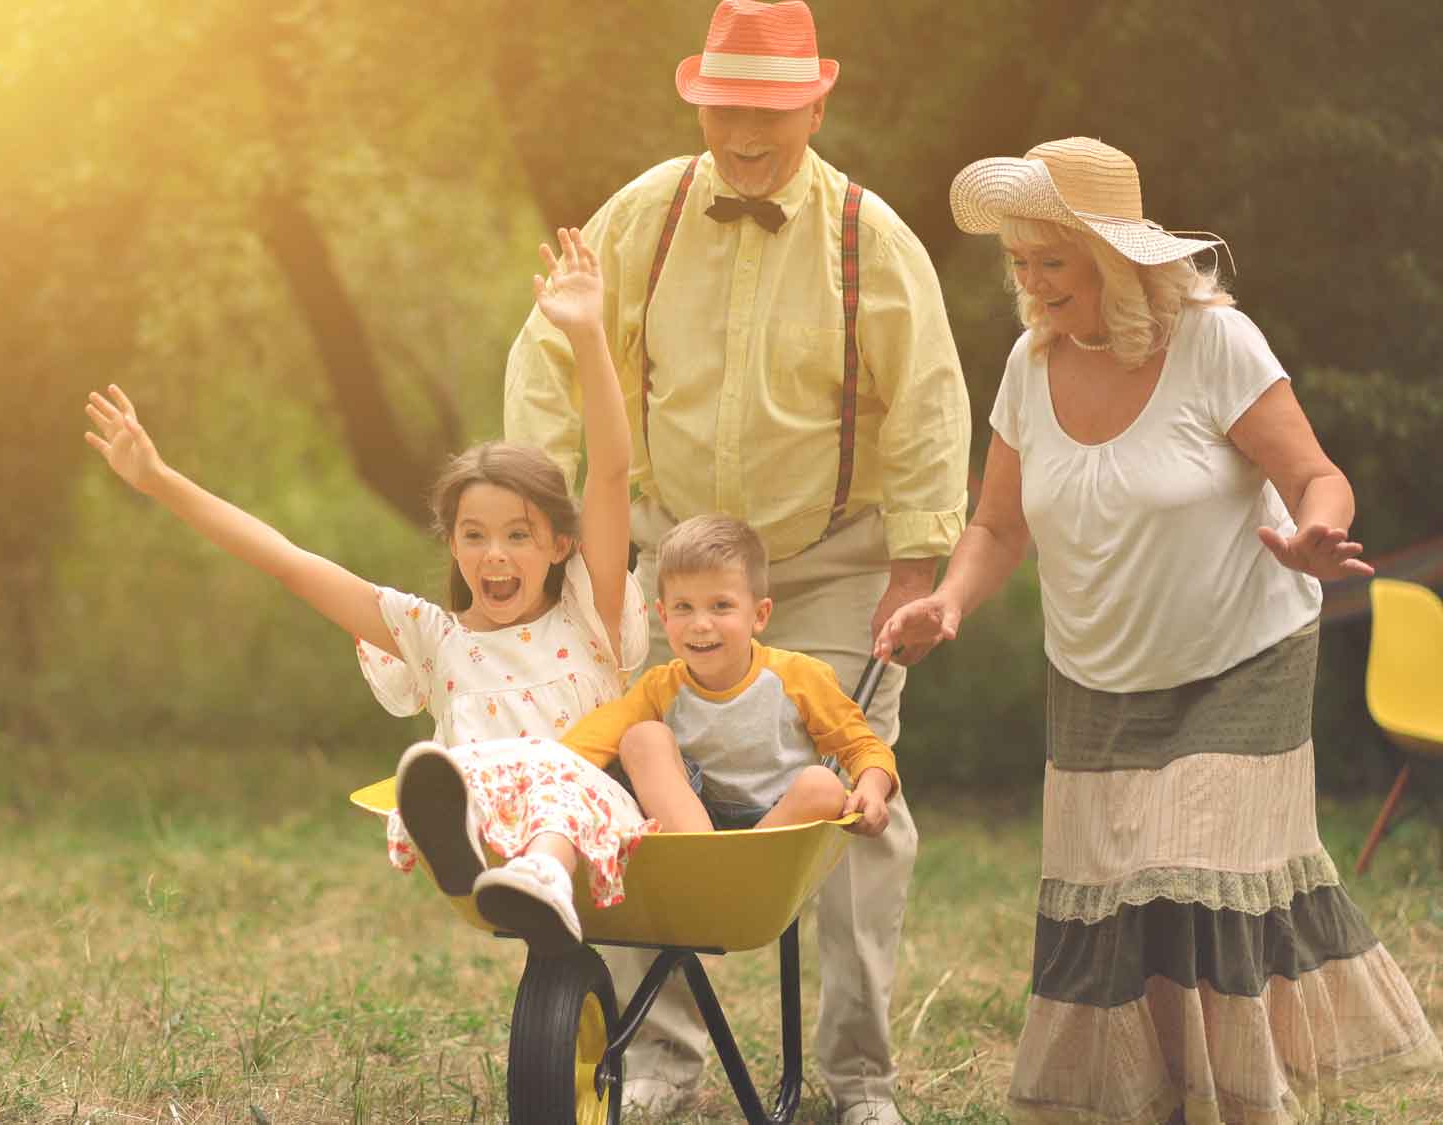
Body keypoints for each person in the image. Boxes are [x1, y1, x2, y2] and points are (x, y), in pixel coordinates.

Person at [877, 136, 1442, 1124]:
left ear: (1114, 260)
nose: (1029, 283)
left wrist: (1317, 530)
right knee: (1124, 902)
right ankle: (1161, 1102)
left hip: (1240, 655)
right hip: (1097, 675)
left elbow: (1315, 474)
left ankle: (1243, 1104)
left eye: (1049, 261)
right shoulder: (1026, 364)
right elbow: (998, 524)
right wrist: (950, 601)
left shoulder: (1215, 344)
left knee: (1188, 876)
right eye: (1018, 262)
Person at [504, 1, 969, 1119]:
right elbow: (551, 364)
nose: (743, 131)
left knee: (861, 808)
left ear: (816, 98)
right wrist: (538, 528)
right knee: (617, 778)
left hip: (827, 559)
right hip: (665, 554)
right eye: (723, 108)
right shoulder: (642, 217)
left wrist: (917, 563)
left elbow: (925, 406)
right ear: (696, 101)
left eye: (766, 108)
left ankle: (856, 1080)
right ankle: (662, 1056)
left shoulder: (869, 237)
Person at [85, 230, 658, 948]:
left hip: (590, 815)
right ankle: (472, 840)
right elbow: (288, 562)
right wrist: (160, 482)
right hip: (495, 823)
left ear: (559, 546)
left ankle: (542, 866)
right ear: (451, 544)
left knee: (554, 767)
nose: (495, 553)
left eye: (519, 534)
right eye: (474, 534)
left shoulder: (587, 615)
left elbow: (607, 473)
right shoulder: (432, 636)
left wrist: (587, 336)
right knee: (447, 769)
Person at [564, 514, 899, 839]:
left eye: (721, 606)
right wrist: (544, 766)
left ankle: (735, 868)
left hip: (775, 820)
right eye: (683, 607)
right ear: (663, 616)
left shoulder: (798, 677)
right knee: (642, 738)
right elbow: (597, 735)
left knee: (823, 785)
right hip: (692, 818)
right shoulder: (660, 687)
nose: (700, 623)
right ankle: (706, 860)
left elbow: (863, 746)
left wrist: (871, 785)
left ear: (760, 614)